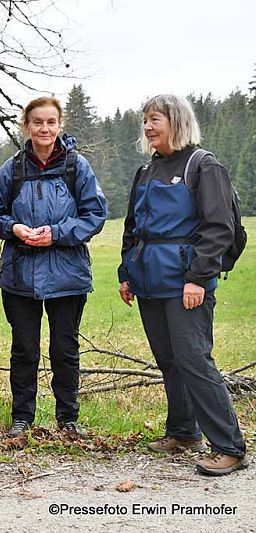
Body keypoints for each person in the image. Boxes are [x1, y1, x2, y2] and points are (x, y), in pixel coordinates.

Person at [118, 94, 249, 476]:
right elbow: (132, 228)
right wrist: (126, 273)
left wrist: (198, 278)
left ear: (176, 120)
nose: (147, 127)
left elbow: (219, 228)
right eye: (144, 120)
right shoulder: (146, 170)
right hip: (149, 281)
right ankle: (183, 432)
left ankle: (229, 446)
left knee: (194, 360)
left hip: (186, 284)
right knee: (170, 361)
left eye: (155, 119)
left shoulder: (203, 166)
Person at [0, 96, 107, 439]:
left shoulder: (76, 166)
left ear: (60, 126)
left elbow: (94, 215)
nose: (45, 129)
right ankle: (22, 418)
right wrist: (13, 228)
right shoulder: (13, 169)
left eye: (51, 122)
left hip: (68, 275)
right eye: (38, 122)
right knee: (24, 350)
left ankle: (68, 419)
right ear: (27, 126)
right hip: (20, 276)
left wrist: (56, 234)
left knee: (65, 350)